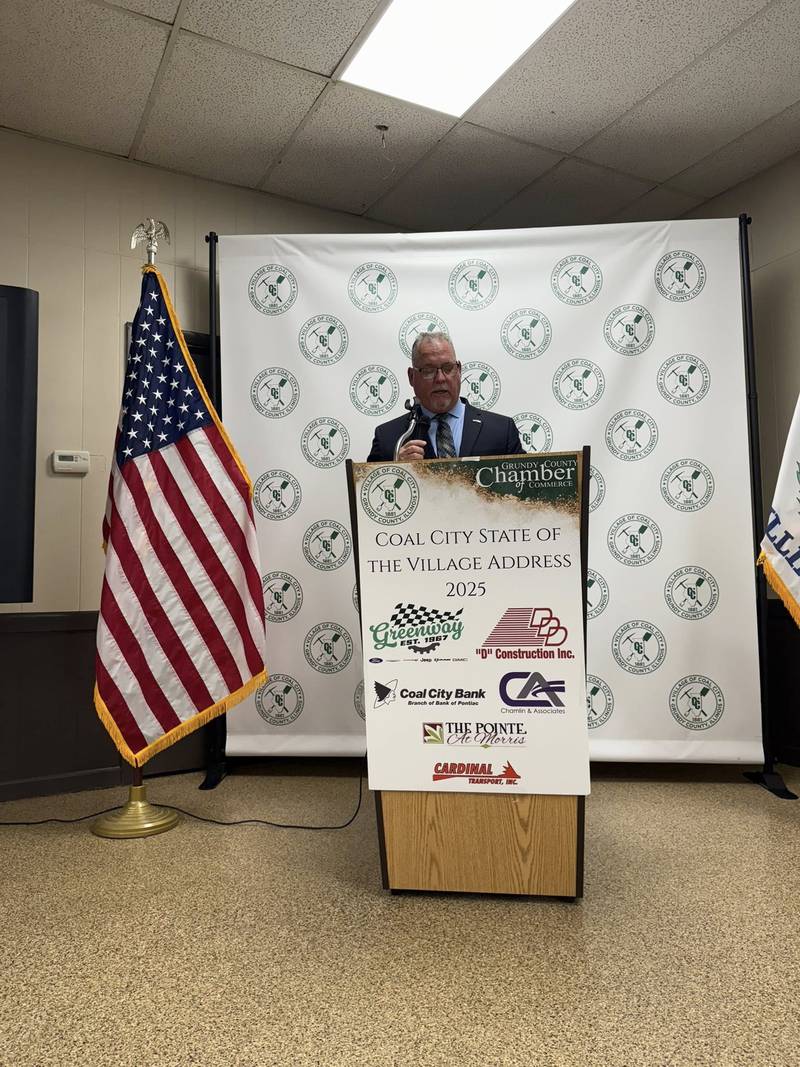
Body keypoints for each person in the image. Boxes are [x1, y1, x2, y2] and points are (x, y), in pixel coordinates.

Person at [367, 332, 524, 462]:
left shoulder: (501, 430)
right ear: (412, 376)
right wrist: (396, 470)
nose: (440, 378)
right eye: (428, 370)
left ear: (459, 370)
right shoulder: (389, 438)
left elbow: (526, 493)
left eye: (448, 368)